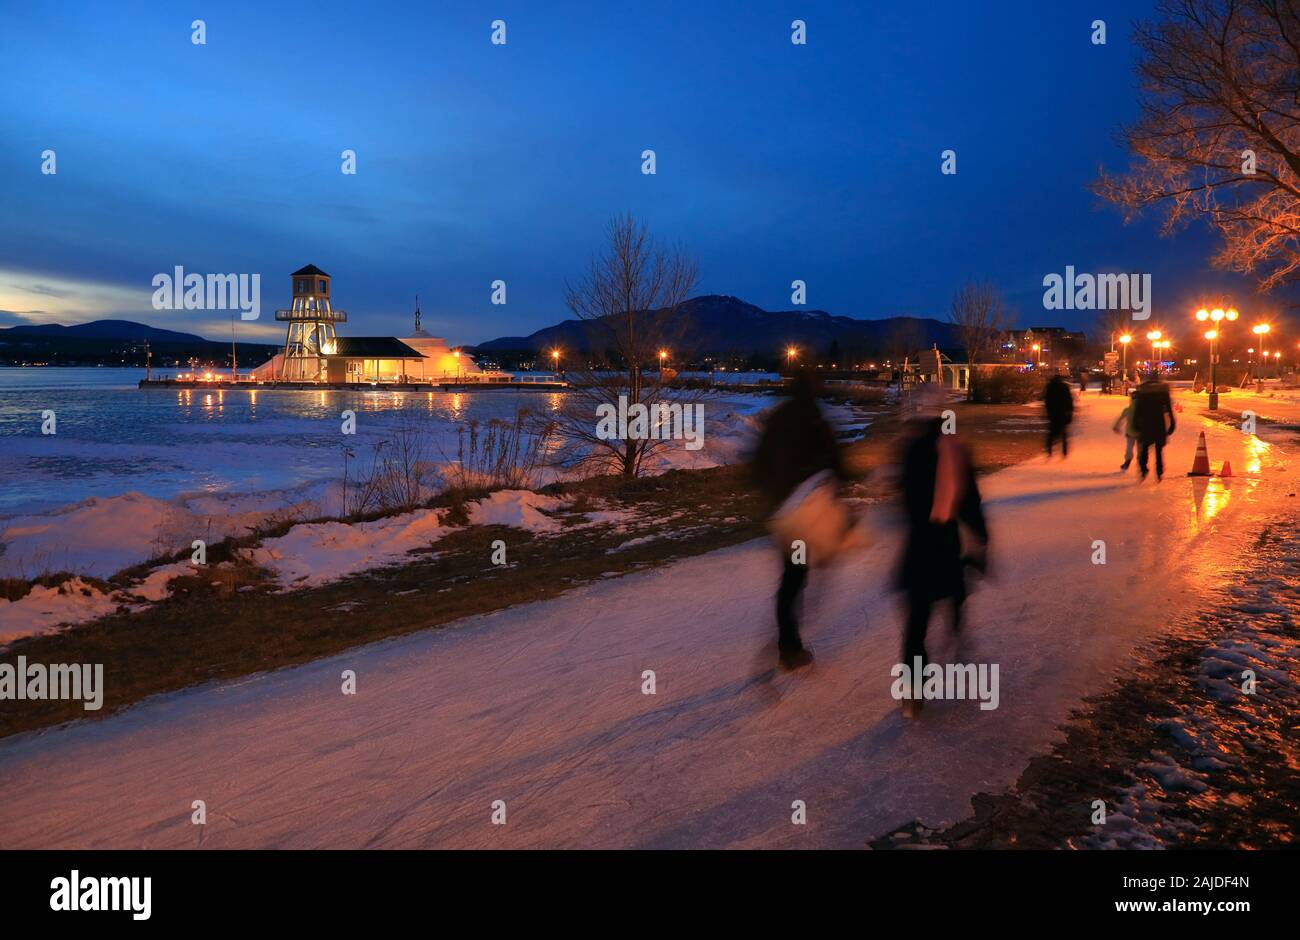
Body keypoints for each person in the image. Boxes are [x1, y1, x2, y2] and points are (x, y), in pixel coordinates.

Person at [895, 389, 989, 717]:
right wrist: (981, 537)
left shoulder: (908, 449)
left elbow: (902, 496)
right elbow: (970, 501)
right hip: (944, 539)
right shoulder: (955, 450)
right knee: (952, 590)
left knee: (917, 619)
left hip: (918, 542)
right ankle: (957, 631)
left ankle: (911, 692)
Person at [752, 370, 847, 670]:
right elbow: (835, 461)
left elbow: (758, 463)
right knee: (795, 577)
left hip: (782, 513)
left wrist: (770, 496)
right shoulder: (814, 418)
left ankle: (788, 643)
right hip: (804, 513)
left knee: (791, 575)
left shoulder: (778, 417)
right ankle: (789, 647)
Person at [1132, 370, 1176, 481]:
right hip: (1158, 422)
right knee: (1159, 449)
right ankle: (1159, 471)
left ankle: (1143, 469)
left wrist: (1135, 422)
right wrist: (1171, 423)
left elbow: (1138, 408)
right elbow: (1169, 409)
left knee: (1144, 448)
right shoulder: (1163, 390)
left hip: (1146, 422)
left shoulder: (1143, 390)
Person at [1043, 372, 1074, 457]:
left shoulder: (1050, 387)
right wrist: (1070, 410)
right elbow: (1069, 399)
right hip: (1062, 411)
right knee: (1063, 432)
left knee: (1052, 432)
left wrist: (1048, 411)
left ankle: (1049, 451)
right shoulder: (1064, 387)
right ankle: (1064, 451)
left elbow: (1047, 400)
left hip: (1053, 412)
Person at [1113, 391, 1139, 471]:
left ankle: (1127, 461)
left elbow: (1120, 419)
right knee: (1141, 448)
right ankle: (1142, 462)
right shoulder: (1143, 410)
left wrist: (1116, 427)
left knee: (1129, 448)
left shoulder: (1127, 410)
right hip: (1140, 432)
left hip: (1130, 432)